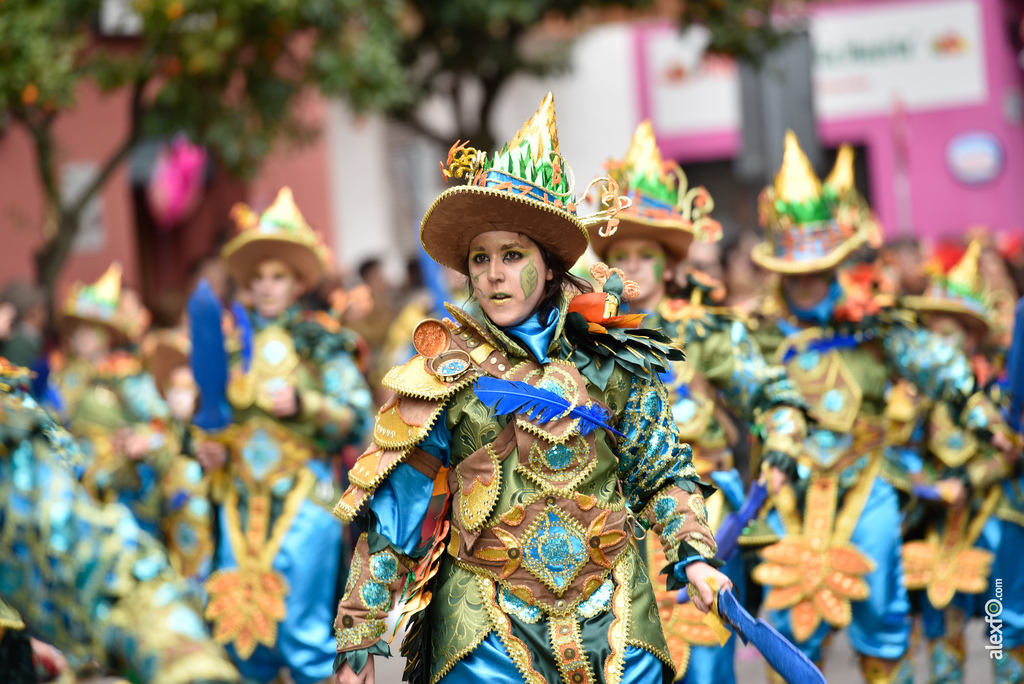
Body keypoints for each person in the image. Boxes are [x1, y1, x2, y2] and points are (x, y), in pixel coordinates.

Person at [332, 94, 731, 684]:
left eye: (512, 255)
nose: (492, 274)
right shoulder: (443, 373)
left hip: (616, 615)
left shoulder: (613, 356)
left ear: (547, 266)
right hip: (486, 631)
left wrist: (693, 557)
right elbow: (397, 516)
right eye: (479, 257)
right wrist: (359, 639)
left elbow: (661, 470)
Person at [747, 134, 1017, 683]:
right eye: (796, 270)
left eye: (819, 268)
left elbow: (942, 371)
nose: (807, 281)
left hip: (868, 477)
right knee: (792, 629)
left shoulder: (876, 324)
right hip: (791, 480)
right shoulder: (757, 334)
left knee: (883, 615)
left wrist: (988, 421)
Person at [589, 121, 807, 684]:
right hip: (611, 525)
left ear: (670, 264)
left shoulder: (707, 332)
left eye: (647, 252)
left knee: (703, 658)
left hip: (696, 512)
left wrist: (783, 437)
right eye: (622, 252)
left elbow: (771, 393)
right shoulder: (582, 338)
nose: (633, 264)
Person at [194, 187, 374, 684]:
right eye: (259, 277)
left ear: (298, 283)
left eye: (279, 276)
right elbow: (204, 422)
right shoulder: (230, 347)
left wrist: (306, 404)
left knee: (300, 626)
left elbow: (359, 416)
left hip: (303, 496)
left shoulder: (319, 340)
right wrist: (205, 449)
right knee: (239, 628)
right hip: (238, 498)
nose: (268, 286)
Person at [0, 356, 239, 684]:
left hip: (122, 490)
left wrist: (183, 660)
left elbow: (86, 555)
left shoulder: (126, 376)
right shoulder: (66, 377)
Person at [894, 240, 1020, 683]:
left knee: (1000, 620)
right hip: (935, 523)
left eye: (946, 334)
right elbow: (900, 453)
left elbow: (1012, 448)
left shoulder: (998, 390)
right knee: (940, 624)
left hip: (990, 517)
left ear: (970, 337)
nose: (935, 346)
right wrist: (927, 485)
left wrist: (969, 479)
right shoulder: (915, 394)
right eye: (930, 333)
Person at [49, 263, 176, 537]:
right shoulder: (61, 378)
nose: (81, 336)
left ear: (107, 334)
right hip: (75, 477)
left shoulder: (124, 373)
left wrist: (141, 439)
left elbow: (160, 421)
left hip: (119, 478)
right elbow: (51, 422)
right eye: (77, 328)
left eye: (90, 329)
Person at [141, 328, 215, 580]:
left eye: (186, 388)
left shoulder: (211, 432)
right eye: (172, 388)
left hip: (206, 531)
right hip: (171, 532)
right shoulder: (161, 430)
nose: (177, 396)